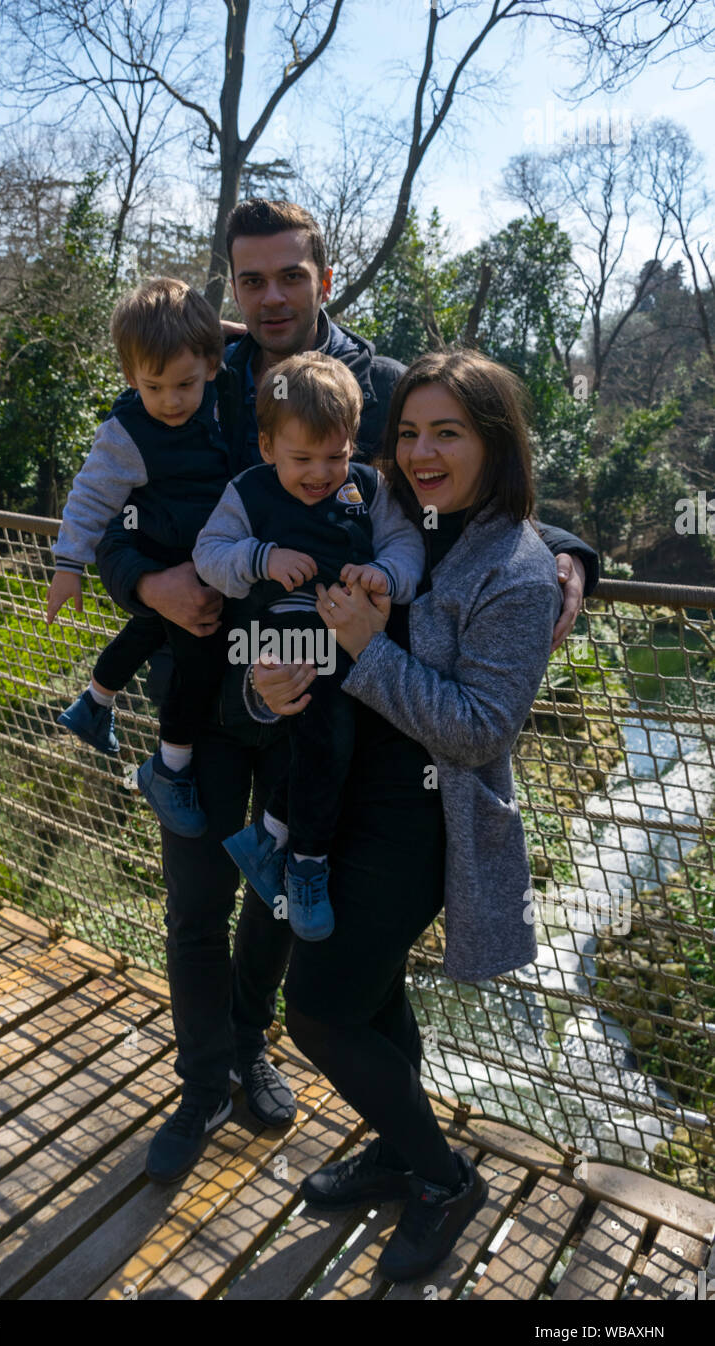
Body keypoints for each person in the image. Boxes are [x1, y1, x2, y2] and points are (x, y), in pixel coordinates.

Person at [92, 199, 599, 1185]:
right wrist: (138, 579)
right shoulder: (195, 365)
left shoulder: (375, 384)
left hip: (322, 701)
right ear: (229, 288)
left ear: (325, 278)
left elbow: (465, 472)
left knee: (282, 896)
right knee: (195, 901)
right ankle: (202, 1084)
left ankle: (252, 1043)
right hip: (205, 686)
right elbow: (107, 498)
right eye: (251, 279)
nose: (270, 294)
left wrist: (572, 554)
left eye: (290, 275)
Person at [244, 347, 571, 1283]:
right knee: (373, 991)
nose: (422, 451)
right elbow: (294, 626)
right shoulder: (392, 519)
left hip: (423, 823)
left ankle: (442, 1178)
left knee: (314, 1006)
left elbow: (477, 731)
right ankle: (398, 1149)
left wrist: (362, 648)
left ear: (494, 442)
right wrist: (272, 687)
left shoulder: (515, 568)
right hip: (338, 798)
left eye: (450, 432)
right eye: (410, 433)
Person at [193, 353, 424, 939]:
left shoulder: (368, 489)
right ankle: (305, 861)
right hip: (279, 640)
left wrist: (387, 575)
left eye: (336, 456)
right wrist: (261, 558)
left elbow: (405, 545)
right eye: (302, 459)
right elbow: (208, 554)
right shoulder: (249, 491)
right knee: (329, 738)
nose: (321, 474)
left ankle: (271, 836)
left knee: (333, 745)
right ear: (268, 447)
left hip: (350, 635)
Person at [46, 278, 233, 838]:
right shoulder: (127, 434)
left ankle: (94, 703)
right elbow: (89, 498)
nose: (172, 401)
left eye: (186, 384)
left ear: (210, 367)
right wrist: (67, 565)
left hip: (199, 557)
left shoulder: (223, 403)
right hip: (170, 560)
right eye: (154, 387)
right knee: (196, 661)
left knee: (147, 628)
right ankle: (169, 768)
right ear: (131, 378)